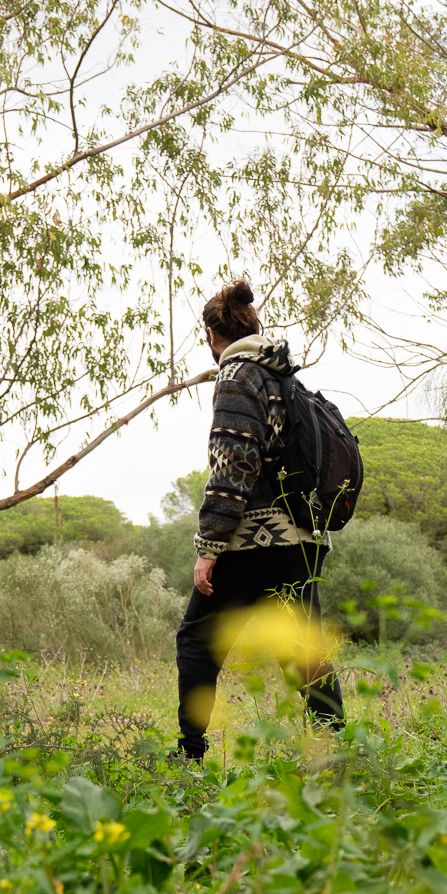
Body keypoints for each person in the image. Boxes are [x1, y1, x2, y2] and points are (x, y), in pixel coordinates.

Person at [172, 279, 346, 761]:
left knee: (196, 639)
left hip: (256, 539)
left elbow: (233, 469)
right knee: (301, 649)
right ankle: (336, 751)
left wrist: (208, 550)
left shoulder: (236, 378)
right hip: (304, 537)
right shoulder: (282, 376)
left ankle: (190, 754)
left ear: (212, 333)